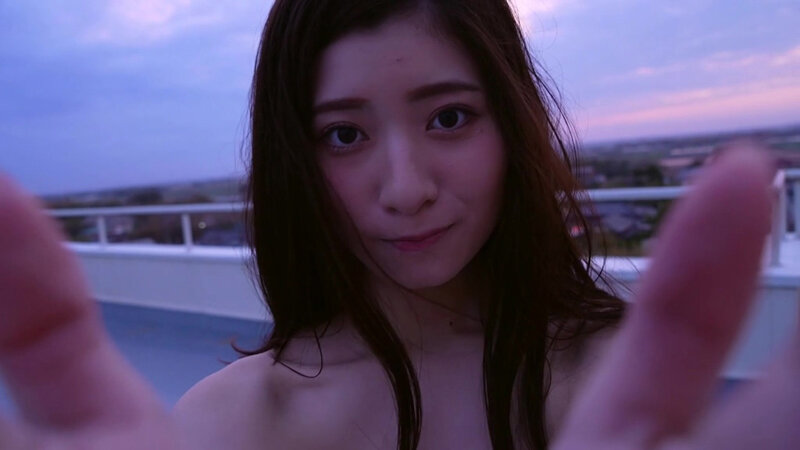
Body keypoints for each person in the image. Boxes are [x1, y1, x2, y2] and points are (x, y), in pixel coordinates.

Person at [0, 0, 795, 449]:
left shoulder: (621, 383)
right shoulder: (236, 423)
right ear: (295, 163)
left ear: (511, 128)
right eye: (344, 134)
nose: (407, 189)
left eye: (449, 117)